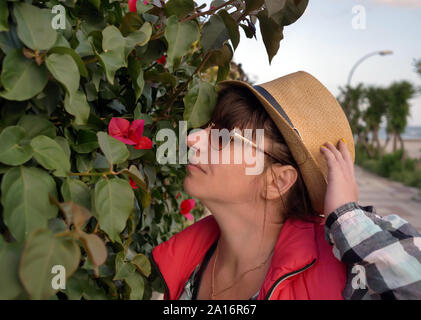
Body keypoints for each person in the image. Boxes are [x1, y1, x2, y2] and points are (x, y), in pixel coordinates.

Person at [149, 71, 421, 300]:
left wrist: (347, 217)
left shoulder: (340, 275)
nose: (192, 139)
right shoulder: (186, 259)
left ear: (278, 181)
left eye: (223, 138)